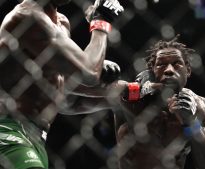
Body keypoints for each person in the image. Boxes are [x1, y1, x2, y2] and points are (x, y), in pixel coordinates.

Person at [0, 0, 124, 168]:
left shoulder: (62, 23)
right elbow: (89, 73)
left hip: (37, 137)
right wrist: (102, 20)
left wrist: (130, 90)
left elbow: (63, 92)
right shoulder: (26, 16)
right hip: (7, 127)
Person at [67, 36, 205, 169]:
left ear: (187, 70)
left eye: (176, 64)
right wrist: (95, 74)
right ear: (151, 70)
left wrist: (192, 123)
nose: (168, 70)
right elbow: (68, 104)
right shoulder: (128, 98)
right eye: (161, 64)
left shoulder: (199, 106)